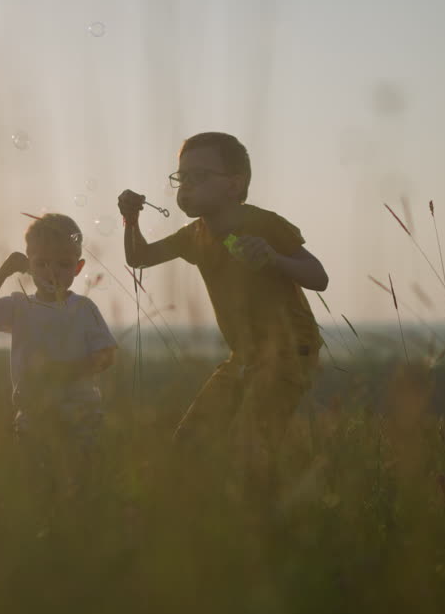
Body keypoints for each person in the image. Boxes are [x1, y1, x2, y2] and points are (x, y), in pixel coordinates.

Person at [119, 132, 328, 504]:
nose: (186, 187)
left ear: (235, 185)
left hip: (290, 348)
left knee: (251, 447)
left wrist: (275, 259)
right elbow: (139, 258)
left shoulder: (264, 225)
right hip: (244, 356)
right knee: (190, 441)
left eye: (199, 177)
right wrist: (130, 218)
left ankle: (265, 524)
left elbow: (318, 276)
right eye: (182, 178)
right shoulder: (194, 235)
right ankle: (212, 516)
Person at [0, 214, 117, 491]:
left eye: (64, 264)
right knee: (37, 490)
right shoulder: (19, 307)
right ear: (29, 266)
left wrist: (64, 372)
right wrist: (3, 272)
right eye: (42, 263)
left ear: (78, 267)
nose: (53, 272)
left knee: (79, 491)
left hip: (80, 421)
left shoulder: (84, 308)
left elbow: (106, 355)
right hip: (32, 422)